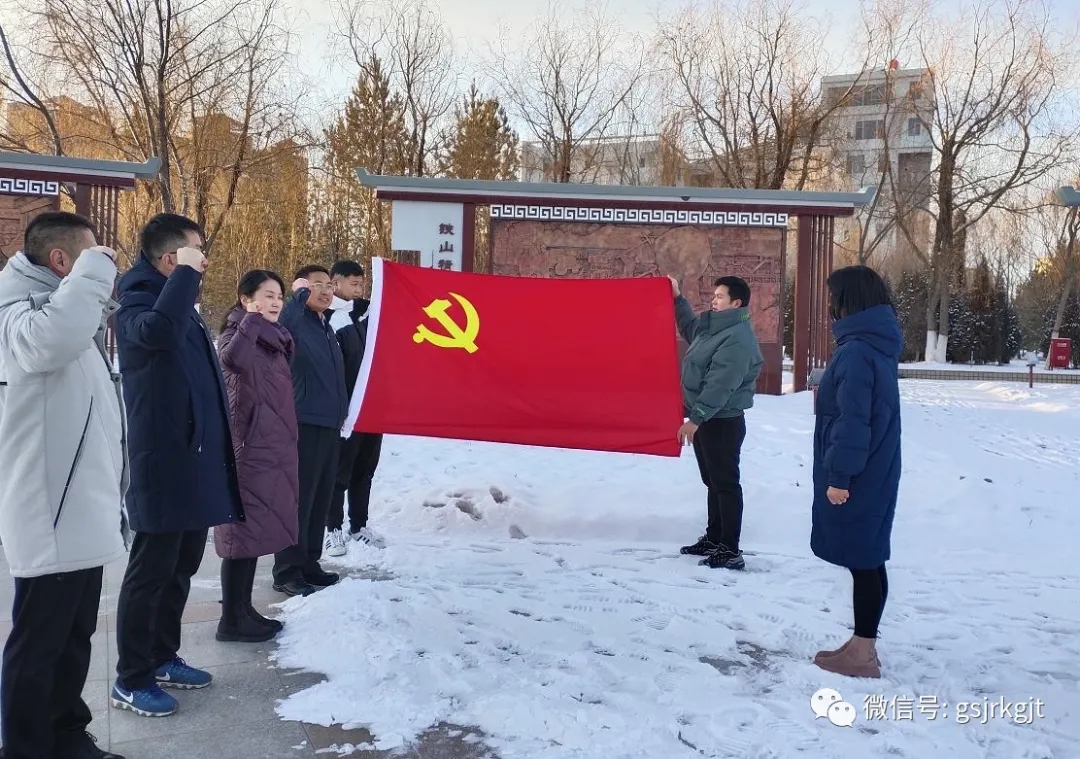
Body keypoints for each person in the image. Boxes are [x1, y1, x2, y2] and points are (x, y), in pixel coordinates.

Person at [0, 213, 128, 759]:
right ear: (61, 261)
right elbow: (47, 344)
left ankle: (66, 732)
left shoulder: (56, 306)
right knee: (38, 642)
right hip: (48, 509)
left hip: (79, 503)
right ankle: (26, 748)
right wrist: (96, 269)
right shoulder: (15, 309)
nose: (104, 266)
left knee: (73, 636)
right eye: (91, 255)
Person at [111, 214, 244, 718]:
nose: (203, 261)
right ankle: (131, 678)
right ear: (171, 260)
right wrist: (186, 276)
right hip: (162, 463)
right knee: (150, 573)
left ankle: (163, 656)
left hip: (195, 459)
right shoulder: (137, 302)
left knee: (181, 568)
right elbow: (159, 334)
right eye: (195, 253)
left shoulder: (178, 301)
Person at [810, 265, 902, 680]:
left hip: (859, 473)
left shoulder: (856, 351)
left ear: (848, 301)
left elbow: (852, 421)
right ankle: (864, 643)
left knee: (864, 560)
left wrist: (839, 478)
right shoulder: (875, 344)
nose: (830, 305)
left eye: (834, 297)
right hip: (877, 465)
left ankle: (863, 655)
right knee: (870, 557)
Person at [214, 270, 299, 642]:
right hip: (248, 448)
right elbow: (233, 360)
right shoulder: (238, 333)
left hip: (269, 446)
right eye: (267, 295)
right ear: (246, 299)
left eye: (279, 296)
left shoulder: (272, 338)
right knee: (241, 533)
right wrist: (250, 319)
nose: (275, 302)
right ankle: (231, 620)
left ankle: (243, 609)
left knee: (253, 532)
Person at [671, 275, 763, 570]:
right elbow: (690, 326)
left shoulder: (737, 339)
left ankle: (730, 550)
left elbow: (720, 385)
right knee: (713, 482)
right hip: (708, 419)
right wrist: (676, 298)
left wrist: (696, 418)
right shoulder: (714, 329)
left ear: (736, 303)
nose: (714, 300)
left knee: (725, 484)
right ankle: (714, 539)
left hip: (722, 421)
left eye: (720, 296)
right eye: (714, 295)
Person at [272, 264, 348, 597]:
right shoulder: (295, 322)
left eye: (329, 285)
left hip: (329, 424)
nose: (326, 291)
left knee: (320, 498)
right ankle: (287, 569)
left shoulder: (324, 325)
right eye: (317, 285)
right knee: (299, 500)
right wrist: (298, 296)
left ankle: (309, 562)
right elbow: (282, 324)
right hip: (304, 422)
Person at [325, 260, 386, 557]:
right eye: (354, 283)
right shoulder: (329, 319)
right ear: (335, 283)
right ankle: (333, 529)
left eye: (362, 283)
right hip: (346, 410)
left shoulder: (368, 312)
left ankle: (359, 525)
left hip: (372, 408)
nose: (359, 288)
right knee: (339, 473)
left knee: (365, 469)